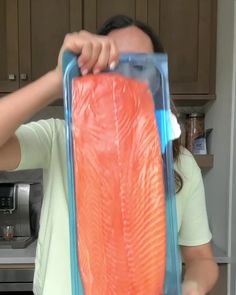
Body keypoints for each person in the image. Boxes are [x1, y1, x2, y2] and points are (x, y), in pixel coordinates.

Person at [0, 15, 218, 295]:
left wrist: (193, 287)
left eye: (140, 66)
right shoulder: (59, 138)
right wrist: (58, 78)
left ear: (157, 81)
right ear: (92, 71)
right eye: (113, 65)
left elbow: (202, 258)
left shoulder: (182, 163)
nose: (126, 77)